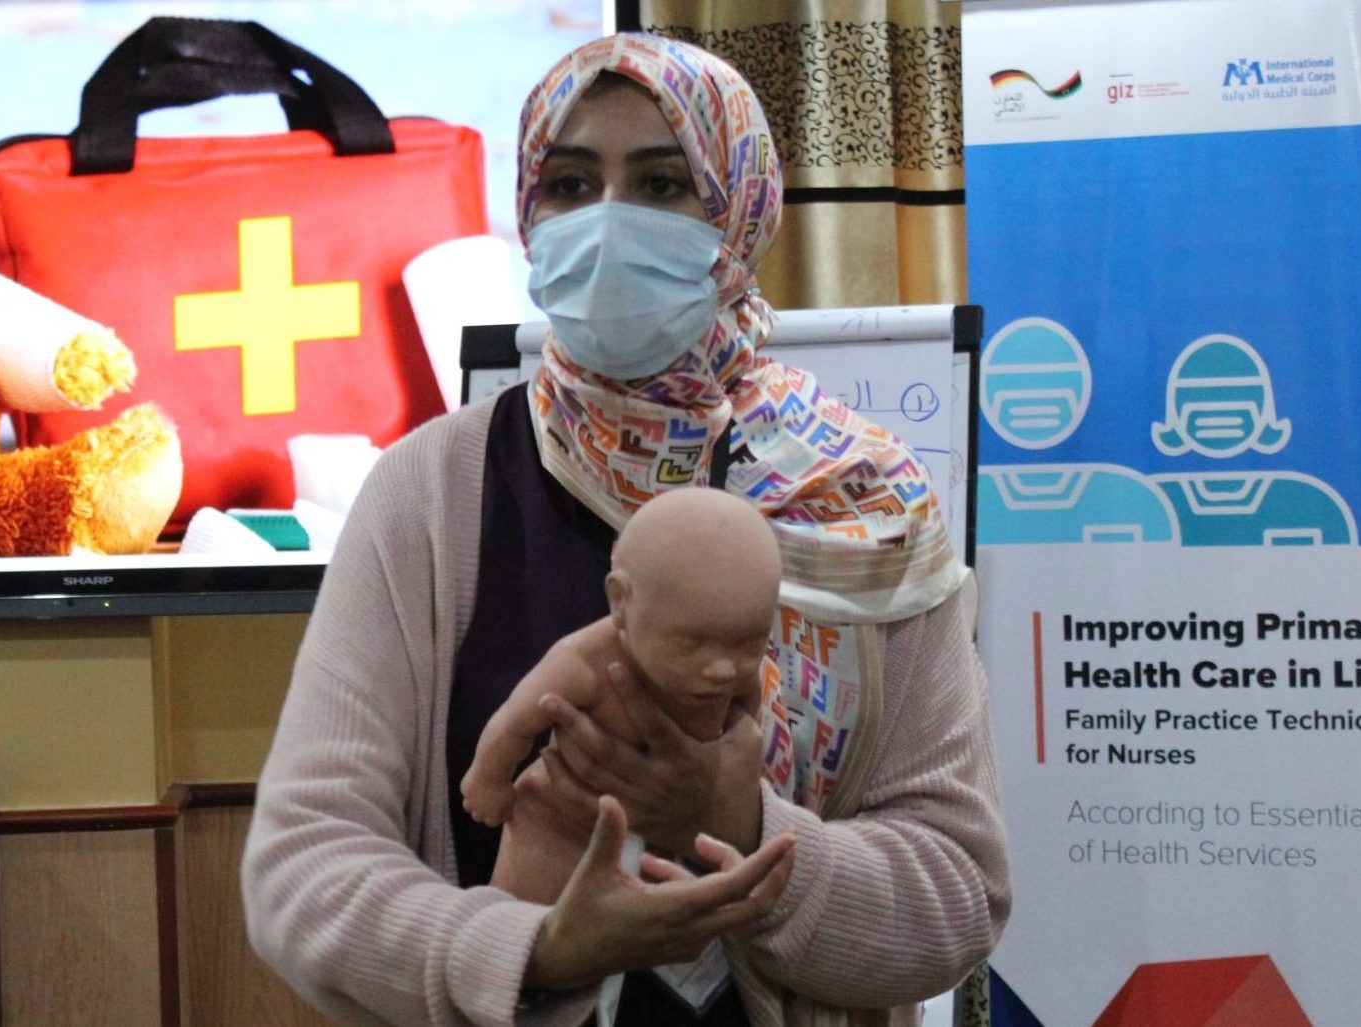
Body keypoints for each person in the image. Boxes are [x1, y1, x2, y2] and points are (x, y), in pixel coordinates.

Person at [242, 33, 1009, 1027]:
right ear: (526, 212)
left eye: (660, 184)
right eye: (568, 185)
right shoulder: (430, 492)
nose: (607, 224)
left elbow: (956, 891)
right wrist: (536, 949)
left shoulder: (862, 499)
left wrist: (740, 828)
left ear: (738, 212)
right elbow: (303, 869)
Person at [460, 487, 782, 907]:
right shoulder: (583, 662)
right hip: (564, 818)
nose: (723, 669)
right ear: (620, 601)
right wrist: (488, 778)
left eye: (748, 644)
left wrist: (730, 785)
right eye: (689, 644)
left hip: (676, 824)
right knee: (534, 908)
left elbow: (744, 722)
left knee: (673, 920)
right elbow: (515, 723)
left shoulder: (733, 666)